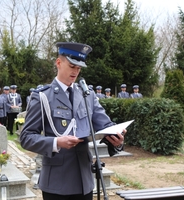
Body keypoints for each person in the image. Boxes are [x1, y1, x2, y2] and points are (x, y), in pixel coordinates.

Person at [20, 42, 125, 200]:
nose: (75, 72)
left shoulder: (87, 95)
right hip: (56, 182)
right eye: (71, 66)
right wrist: (56, 142)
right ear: (58, 63)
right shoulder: (42, 96)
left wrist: (117, 139)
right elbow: (26, 137)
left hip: (84, 180)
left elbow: (106, 125)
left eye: (79, 68)